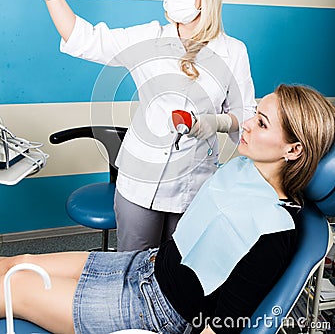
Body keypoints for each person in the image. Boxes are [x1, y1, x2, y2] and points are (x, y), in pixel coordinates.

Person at [1, 84, 334, 334]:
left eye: (261, 123)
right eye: (256, 113)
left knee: (18, 289)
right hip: (146, 265)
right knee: (20, 263)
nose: (247, 124)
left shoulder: (274, 232)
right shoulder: (243, 169)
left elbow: (221, 327)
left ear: (293, 149)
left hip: (158, 310)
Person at [18, 0, 256, 251]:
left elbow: (245, 114)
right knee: (129, 267)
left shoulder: (233, 52)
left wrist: (217, 122)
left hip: (194, 183)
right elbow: (83, 38)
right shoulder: (149, 38)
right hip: (139, 180)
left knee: (179, 271)